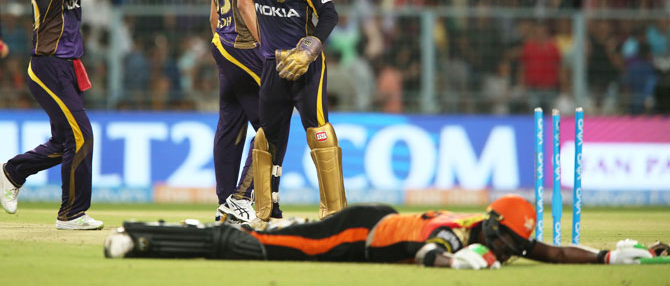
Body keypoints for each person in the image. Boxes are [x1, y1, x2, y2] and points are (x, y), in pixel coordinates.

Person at [158, 0, 345, 221]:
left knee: (319, 134)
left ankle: (335, 215)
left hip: (306, 68)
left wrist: (310, 49)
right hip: (272, 66)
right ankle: (265, 211)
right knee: (266, 139)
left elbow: (330, 15)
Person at [0, 0, 159, 230]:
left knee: (65, 142)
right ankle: (71, 214)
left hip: (66, 66)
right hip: (49, 66)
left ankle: (12, 172)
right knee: (81, 137)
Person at [103, 194, 667, 268]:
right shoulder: (460, 230)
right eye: (500, 241)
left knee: (260, 243)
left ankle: (154, 236)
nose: (505, 250)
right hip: (356, 234)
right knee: (251, 247)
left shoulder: (502, 236)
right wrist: (459, 262)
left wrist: (607, 258)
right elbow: (432, 253)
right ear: (490, 226)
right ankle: (140, 238)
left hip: (373, 227)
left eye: (507, 246)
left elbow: (545, 250)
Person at [210, 0, 266, 223]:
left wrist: (218, 41)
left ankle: (225, 201)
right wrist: (268, 48)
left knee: (230, 124)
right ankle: (242, 198)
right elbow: (245, 3)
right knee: (271, 125)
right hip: (245, 48)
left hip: (222, 45)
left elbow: (214, 12)